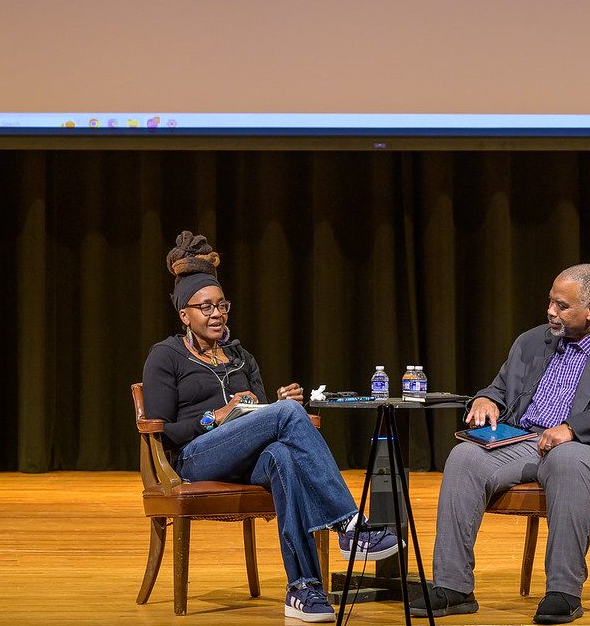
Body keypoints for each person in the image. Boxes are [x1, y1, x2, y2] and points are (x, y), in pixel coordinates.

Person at [143, 232, 400, 623]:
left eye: (222, 305)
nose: (217, 314)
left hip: (244, 457)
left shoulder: (240, 357)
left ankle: (303, 588)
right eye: (205, 307)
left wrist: (277, 404)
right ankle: (350, 524)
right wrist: (218, 415)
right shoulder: (166, 356)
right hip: (195, 458)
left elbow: (263, 416)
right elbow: (165, 431)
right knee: (284, 415)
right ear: (184, 314)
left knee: (283, 453)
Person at [410, 264, 590, 624]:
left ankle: (563, 591)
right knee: (464, 455)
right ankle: (454, 587)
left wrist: (572, 428)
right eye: (550, 302)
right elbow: (499, 388)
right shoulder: (532, 341)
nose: (550, 312)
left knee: (567, 460)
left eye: (562, 306)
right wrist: (485, 400)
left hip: (587, 445)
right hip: (524, 440)